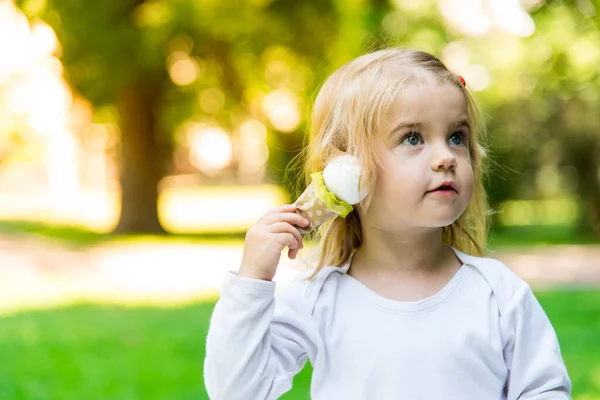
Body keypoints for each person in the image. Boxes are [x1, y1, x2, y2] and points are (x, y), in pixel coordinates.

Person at [203, 48, 571, 399]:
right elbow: (237, 391)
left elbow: (544, 390)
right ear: (348, 172)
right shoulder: (318, 299)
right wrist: (252, 278)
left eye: (456, 137)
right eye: (413, 138)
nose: (446, 157)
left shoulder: (499, 294)